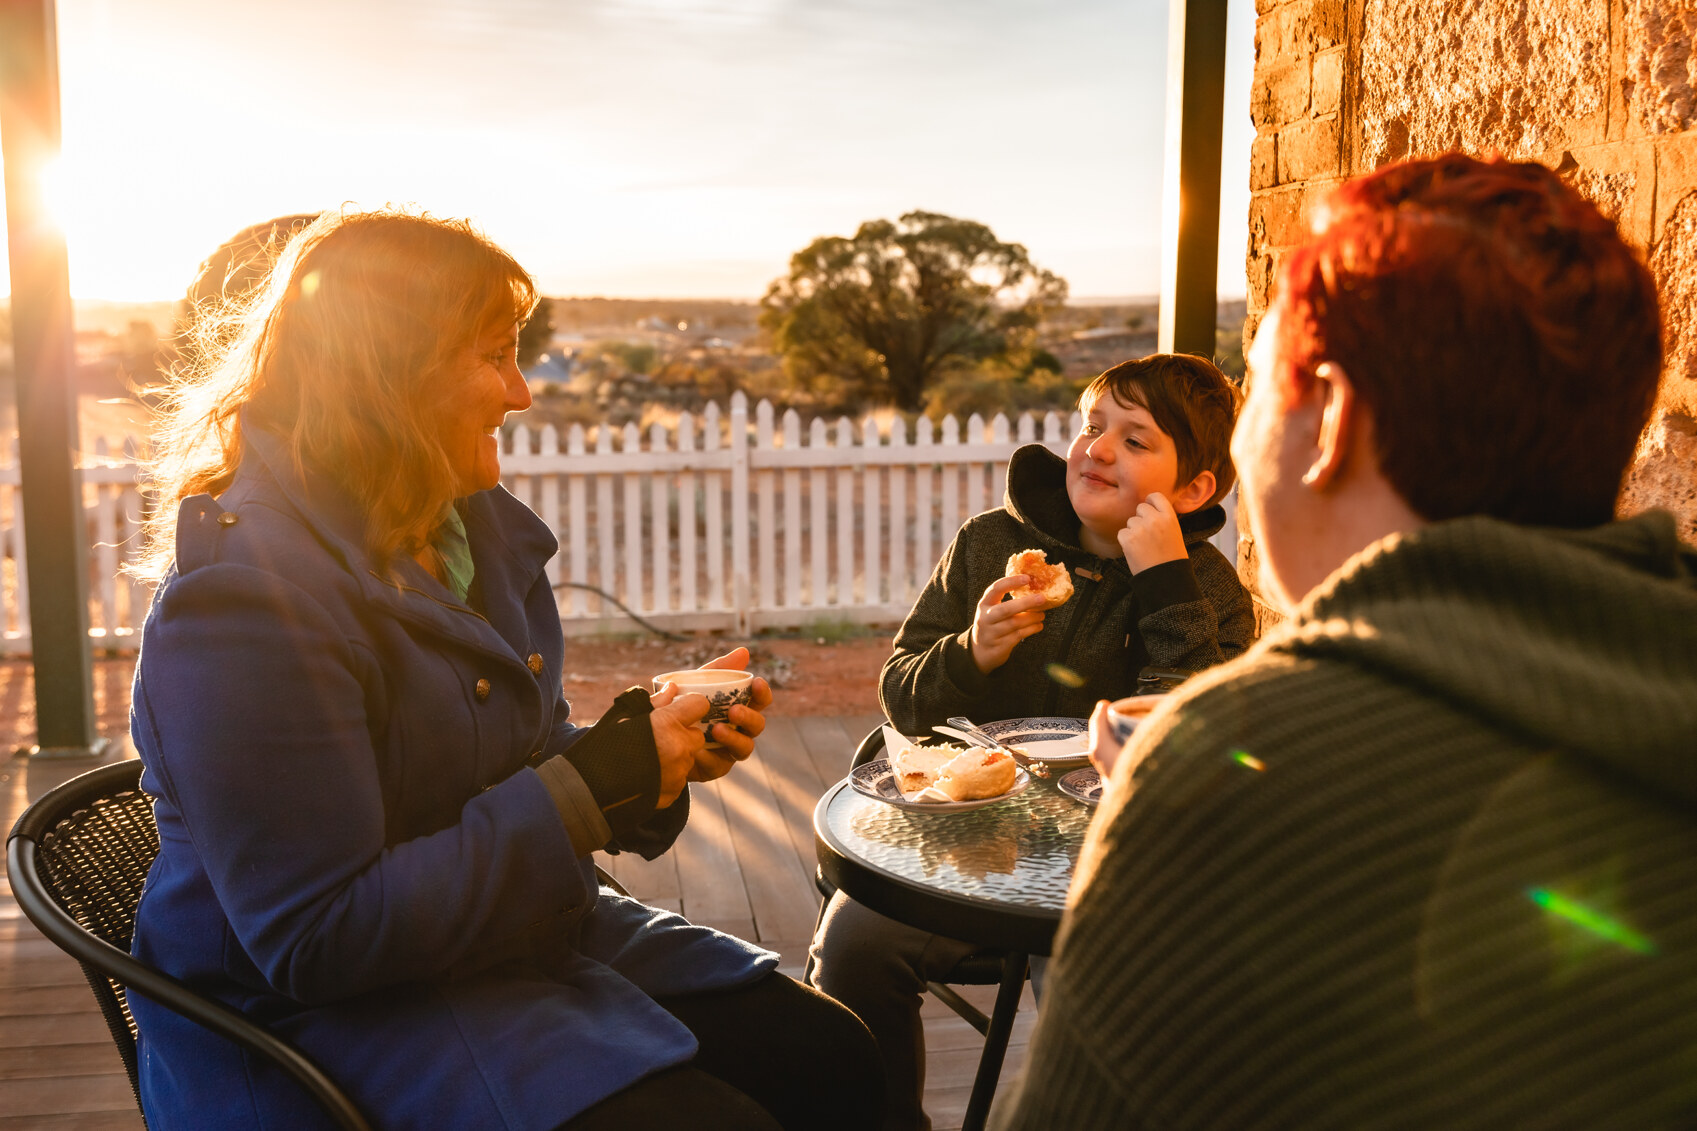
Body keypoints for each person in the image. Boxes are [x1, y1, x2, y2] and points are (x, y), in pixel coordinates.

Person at [128, 210, 883, 1131]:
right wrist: (588, 784)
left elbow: (509, 751)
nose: (522, 393)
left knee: (837, 1057)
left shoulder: (459, 528)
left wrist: (640, 755)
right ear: (388, 377)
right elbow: (316, 939)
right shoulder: (244, 604)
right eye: (494, 356)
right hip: (323, 1018)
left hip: (507, 936)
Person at [992, 154, 1697, 1129]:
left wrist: (1171, 797)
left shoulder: (1240, 769)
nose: (1240, 448)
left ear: (1328, 419)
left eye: (1258, 391)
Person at [810, 354, 1254, 1130]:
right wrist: (970, 651)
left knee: (1095, 999)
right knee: (852, 944)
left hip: (1104, 873)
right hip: (959, 845)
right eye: (1091, 425)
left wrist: (1163, 587)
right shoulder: (991, 545)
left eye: (1135, 438)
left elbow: (1191, 744)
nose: (1098, 448)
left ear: (1191, 491)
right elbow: (900, 695)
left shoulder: (1209, 593)